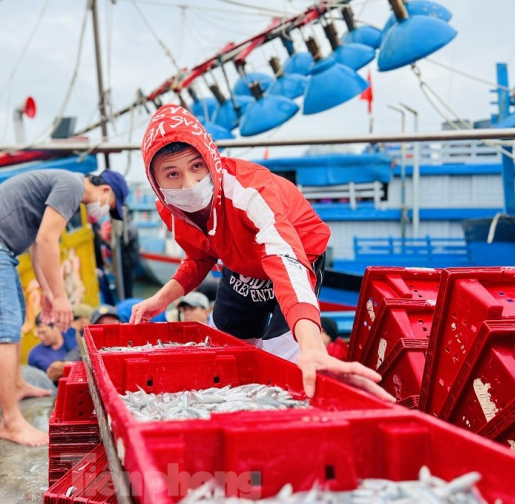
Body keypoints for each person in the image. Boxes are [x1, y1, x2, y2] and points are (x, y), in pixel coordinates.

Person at [130, 104, 392, 402]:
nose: (189, 184)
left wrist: (313, 347)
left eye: (196, 166)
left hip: (295, 254)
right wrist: (159, 300)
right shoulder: (170, 209)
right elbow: (200, 257)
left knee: (283, 360)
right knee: (228, 354)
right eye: (172, 174)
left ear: (210, 158)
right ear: (155, 181)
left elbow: (286, 259)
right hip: (240, 267)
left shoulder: (250, 192)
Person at [0, 168, 129, 446]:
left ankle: (18, 386)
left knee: (16, 317)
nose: (105, 212)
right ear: (106, 191)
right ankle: (11, 423)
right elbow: (47, 242)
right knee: (5, 327)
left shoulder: (66, 187)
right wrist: (60, 298)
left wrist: (47, 292)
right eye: (110, 206)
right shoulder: (72, 185)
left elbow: (37, 245)